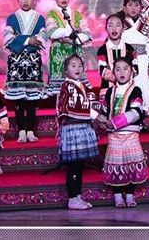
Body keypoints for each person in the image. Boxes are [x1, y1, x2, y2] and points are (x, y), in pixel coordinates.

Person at [99, 57, 148, 208]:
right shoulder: (109, 92)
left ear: (132, 71)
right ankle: (118, 196)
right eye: (118, 69)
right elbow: (105, 110)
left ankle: (130, 195)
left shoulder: (136, 90)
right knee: (116, 165)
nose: (122, 72)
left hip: (130, 134)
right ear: (113, 73)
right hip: (114, 136)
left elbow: (136, 111)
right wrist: (101, 118)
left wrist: (114, 122)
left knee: (131, 164)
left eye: (125, 69)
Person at [2, 0, 47, 143]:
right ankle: (21, 130)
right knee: (19, 99)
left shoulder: (40, 18)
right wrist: (28, 40)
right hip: (17, 63)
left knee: (32, 100)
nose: (26, 1)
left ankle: (30, 130)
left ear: (34, 0)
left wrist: (22, 40)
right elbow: (8, 38)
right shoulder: (12, 18)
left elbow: (42, 38)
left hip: (33, 62)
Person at [56, 54, 100, 210]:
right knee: (74, 166)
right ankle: (72, 198)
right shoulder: (67, 86)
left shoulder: (83, 85)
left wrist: (101, 113)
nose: (77, 68)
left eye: (80, 65)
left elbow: (92, 102)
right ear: (66, 70)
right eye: (73, 65)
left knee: (79, 166)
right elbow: (71, 106)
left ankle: (78, 197)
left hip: (82, 128)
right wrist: (95, 115)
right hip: (73, 130)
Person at [45, 0, 93, 98]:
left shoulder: (76, 13)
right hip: (59, 53)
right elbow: (52, 33)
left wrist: (74, 40)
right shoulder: (52, 13)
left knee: (77, 89)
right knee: (60, 92)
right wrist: (70, 32)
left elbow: (87, 33)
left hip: (75, 50)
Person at [120, 0, 149, 113]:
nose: (133, 8)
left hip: (143, 60)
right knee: (128, 85)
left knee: (144, 85)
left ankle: (144, 111)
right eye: (130, 5)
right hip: (126, 60)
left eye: (136, 5)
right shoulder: (121, 26)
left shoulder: (145, 27)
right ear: (124, 8)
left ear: (141, 8)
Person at [96, 13, 137, 104]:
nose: (114, 28)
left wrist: (124, 78)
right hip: (107, 89)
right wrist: (121, 77)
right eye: (110, 25)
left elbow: (135, 68)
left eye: (118, 25)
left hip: (127, 90)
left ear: (123, 29)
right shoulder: (102, 50)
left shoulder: (130, 49)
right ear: (106, 28)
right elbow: (103, 71)